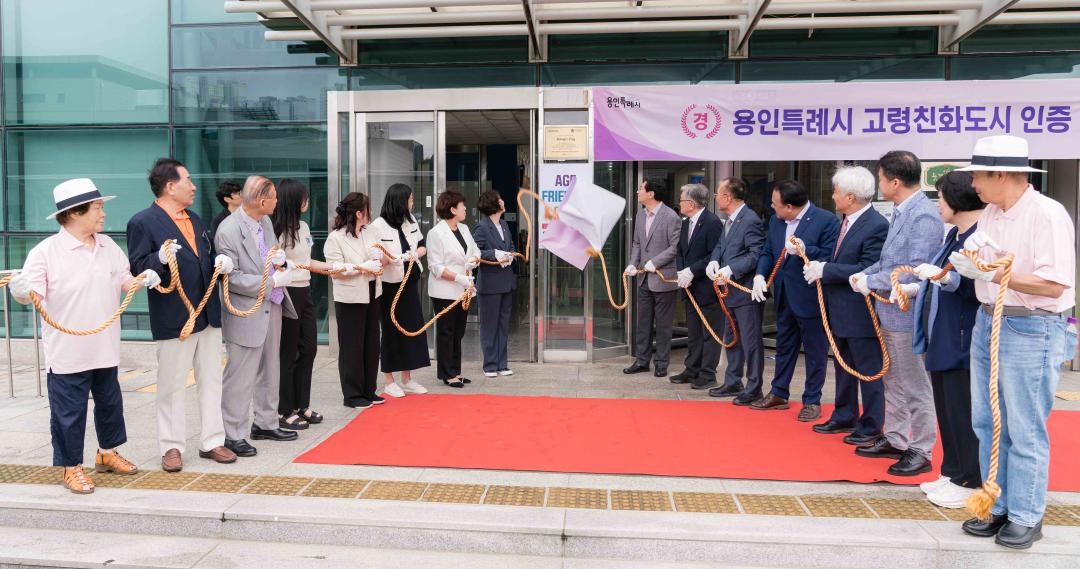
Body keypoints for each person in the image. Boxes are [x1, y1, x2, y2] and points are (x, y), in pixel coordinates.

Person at [952, 135, 1075, 549]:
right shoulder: (991, 212)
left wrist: (989, 274)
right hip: (990, 320)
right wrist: (973, 265)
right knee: (987, 421)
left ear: (1001, 174)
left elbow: (1055, 285)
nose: (974, 186)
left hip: (1032, 326)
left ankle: (1026, 514)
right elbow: (987, 261)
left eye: (979, 177)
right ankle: (997, 503)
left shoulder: (1046, 214)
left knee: (1023, 427)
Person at [9, 179, 156, 493]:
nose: (103, 212)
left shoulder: (107, 246)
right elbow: (30, 295)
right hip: (67, 351)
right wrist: (20, 292)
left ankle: (107, 454)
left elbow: (124, 281)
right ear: (74, 213)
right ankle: (70, 467)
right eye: (97, 207)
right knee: (69, 412)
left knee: (109, 404)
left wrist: (147, 278)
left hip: (104, 346)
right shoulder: (45, 253)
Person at [126, 158, 236, 473]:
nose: (193, 185)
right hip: (174, 318)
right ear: (170, 186)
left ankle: (213, 441)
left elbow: (208, 254)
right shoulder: (143, 222)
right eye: (187, 180)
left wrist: (221, 261)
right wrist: (158, 259)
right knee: (172, 384)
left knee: (212, 380)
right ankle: (171, 447)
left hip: (208, 314)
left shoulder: (196, 219)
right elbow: (138, 267)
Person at [849, 151, 944, 477]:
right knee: (894, 379)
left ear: (894, 181)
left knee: (915, 383)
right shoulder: (902, 212)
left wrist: (871, 280)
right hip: (889, 310)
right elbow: (888, 260)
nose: (878, 184)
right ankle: (897, 437)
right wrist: (865, 274)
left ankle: (921, 449)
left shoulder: (924, 216)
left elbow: (910, 271)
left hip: (906, 313)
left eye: (880, 178)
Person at [910, 170, 984, 509]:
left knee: (963, 411)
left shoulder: (981, 237)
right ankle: (952, 469)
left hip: (963, 338)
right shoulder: (955, 234)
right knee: (947, 408)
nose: (938, 204)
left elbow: (979, 288)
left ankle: (969, 479)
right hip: (943, 332)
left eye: (940, 197)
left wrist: (946, 280)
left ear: (956, 199)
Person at [215, 175, 299, 458]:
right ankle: (233, 433)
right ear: (262, 201)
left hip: (272, 305)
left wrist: (281, 264)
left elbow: (271, 254)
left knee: (270, 367)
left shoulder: (264, 223)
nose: (278, 201)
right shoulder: (228, 230)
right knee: (240, 374)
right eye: (274, 197)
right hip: (245, 310)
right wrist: (271, 283)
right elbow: (233, 277)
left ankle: (265, 422)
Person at [803, 166, 889, 443]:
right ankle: (844, 414)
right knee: (842, 365)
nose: (833, 196)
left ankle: (872, 424)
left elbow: (867, 267)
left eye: (837, 192)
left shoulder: (876, 225)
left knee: (868, 370)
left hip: (860, 311)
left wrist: (826, 270)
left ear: (851, 196)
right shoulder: (847, 220)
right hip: (839, 308)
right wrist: (814, 259)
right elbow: (838, 256)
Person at [750, 180, 839, 422]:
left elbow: (832, 254)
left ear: (789, 207)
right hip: (784, 295)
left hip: (810, 296)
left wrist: (804, 249)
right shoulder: (776, 221)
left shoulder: (826, 220)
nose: (771, 207)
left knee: (815, 350)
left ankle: (812, 399)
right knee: (785, 346)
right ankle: (779, 392)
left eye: (775, 204)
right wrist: (760, 275)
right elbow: (769, 250)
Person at [271, 179, 344, 428]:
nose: (308, 201)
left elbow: (309, 260)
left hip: (305, 291)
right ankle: (283, 409)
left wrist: (336, 267)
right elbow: (274, 264)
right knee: (288, 352)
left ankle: (302, 404)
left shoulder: (303, 226)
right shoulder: (276, 229)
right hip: (286, 292)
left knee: (309, 348)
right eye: (304, 197)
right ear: (293, 200)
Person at [705, 177, 765, 404]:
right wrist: (714, 261)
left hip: (745, 291)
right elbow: (721, 246)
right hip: (729, 292)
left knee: (750, 342)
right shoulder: (730, 220)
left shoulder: (749, 219)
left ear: (727, 197)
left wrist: (731, 269)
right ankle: (732, 381)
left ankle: (754, 387)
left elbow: (755, 253)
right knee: (732, 338)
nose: (716, 197)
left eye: (717, 193)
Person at [323, 192, 385, 408]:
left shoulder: (371, 232)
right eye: (367, 209)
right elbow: (335, 270)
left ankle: (369, 390)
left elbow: (381, 256)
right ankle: (352, 394)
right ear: (359, 213)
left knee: (371, 344)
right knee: (352, 347)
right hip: (349, 297)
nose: (370, 213)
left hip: (372, 292)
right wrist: (362, 268)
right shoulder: (336, 238)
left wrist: (379, 260)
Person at [370, 184, 431, 397]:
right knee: (391, 330)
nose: (412, 203)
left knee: (411, 328)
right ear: (399, 201)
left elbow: (422, 244)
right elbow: (376, 255)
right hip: (390, 286)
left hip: (411, 282)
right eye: (410, 199)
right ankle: (389, 379)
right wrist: (395, 259)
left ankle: (407, 378)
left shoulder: (411, 220)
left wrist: (415, 254)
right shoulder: (378, 226)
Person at [669, 183, 724, 390]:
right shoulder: (685, 223)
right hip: (690, 287)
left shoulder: (712, 223)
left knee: (710, 333)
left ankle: (708, 373)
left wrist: (693, 271)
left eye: (682, 199)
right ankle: (692, 369)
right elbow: (681, 251)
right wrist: (682, 271)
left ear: (691, 203)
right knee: (694, 332)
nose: (679, 203)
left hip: (707, 288)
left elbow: (715, 254)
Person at [623, 181, 680, 378]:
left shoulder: (671, 217)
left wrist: (655, 263)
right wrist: (633, 263)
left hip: (664, 279)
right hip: (644, 279)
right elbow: (637, 243)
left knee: (663, 324)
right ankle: (641, 361)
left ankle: (662, 363)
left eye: (641, 188)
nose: (638, 191)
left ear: (651, 194)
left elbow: (674, 248)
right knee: (643, 322)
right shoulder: (640, 215)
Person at [427, 191, 481, 388]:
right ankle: (447, 373)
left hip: (463, 289)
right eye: (462, 206)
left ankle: (456, 371)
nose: (465, 208)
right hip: (444, 290)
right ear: (452, 209)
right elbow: (435, 266)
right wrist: (459, 278)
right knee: (446, 332)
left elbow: (475, 250)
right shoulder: (436, 233)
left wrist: (474, 259)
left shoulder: (465, 228)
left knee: (459, 331)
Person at [473, 190, 518, 378]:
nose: (503, 201)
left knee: (503, 325)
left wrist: (510, 256)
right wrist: (494, 254)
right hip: (490, 285)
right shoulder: (482, 227)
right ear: (493, 204)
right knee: (489, 325)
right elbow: (475, 251)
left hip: (506, 282)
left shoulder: (504, 225)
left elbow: (512, 247)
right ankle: (490, 365)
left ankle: (502, 364)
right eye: (500, 199)